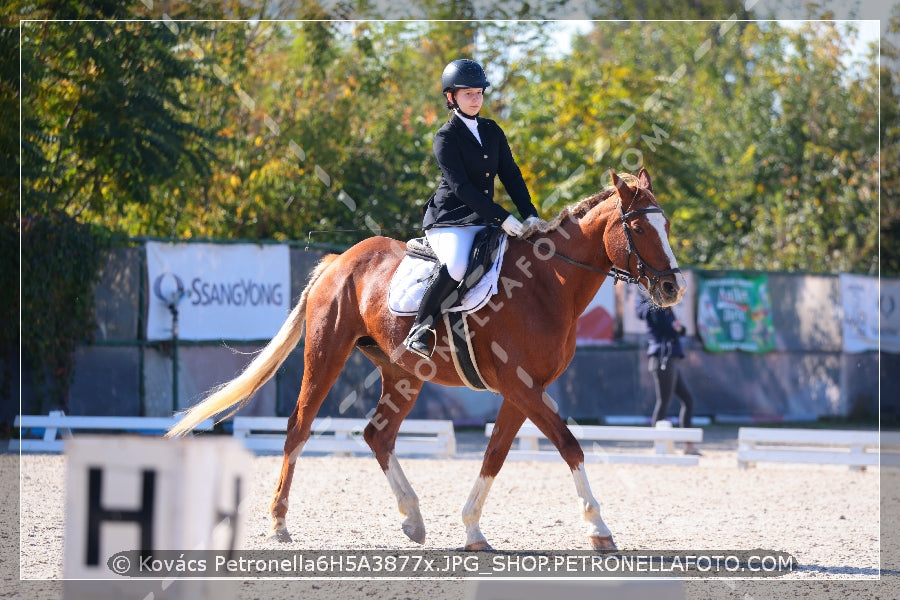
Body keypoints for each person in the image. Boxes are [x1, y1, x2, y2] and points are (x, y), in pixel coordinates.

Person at [404, 58, 540, 359]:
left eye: (479, 93)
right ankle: (420, 328)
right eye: (468, 94)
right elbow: (461, 188)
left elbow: (512, 174)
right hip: (450, 219)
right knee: (456, 265)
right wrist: (503, 217)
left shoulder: (492, 130)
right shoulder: (445, 137)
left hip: (484, 217)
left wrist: (529, 212)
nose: (476, 99)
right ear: (451, 97)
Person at [635, 289, 701, 455]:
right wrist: (677, 330)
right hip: (663, 360)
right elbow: (671, 330)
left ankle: (688, 444)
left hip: (670, 359)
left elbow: (680, 330)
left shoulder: (665, 309)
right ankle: (658, 443)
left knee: (688, 400)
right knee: (663, 402)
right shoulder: (654, 310)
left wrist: (678, 330)